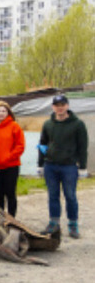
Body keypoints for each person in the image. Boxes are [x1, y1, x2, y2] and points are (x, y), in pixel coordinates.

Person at [38, 94, 89, 238]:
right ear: (53, 107)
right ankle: (54, 223)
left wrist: (83, 167)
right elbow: (42, 144)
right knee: (53, 195)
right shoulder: (48, 124)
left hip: (69, 167)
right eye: (57, 105)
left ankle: (73, 225)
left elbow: (82, 147)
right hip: (50, 166)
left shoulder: (77, 124)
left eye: (62, 105)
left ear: (67, 106)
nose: (60, 108)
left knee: (70, 196)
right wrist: (40, 164)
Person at [0, 100, 25, 217]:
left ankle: (11, 219)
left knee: (10, 193)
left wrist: (8, 157)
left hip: (11, 166)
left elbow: (20, 146)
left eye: (3, 111)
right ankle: (0, 218)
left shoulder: (14, 126)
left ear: (8, 113)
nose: (0, 113)